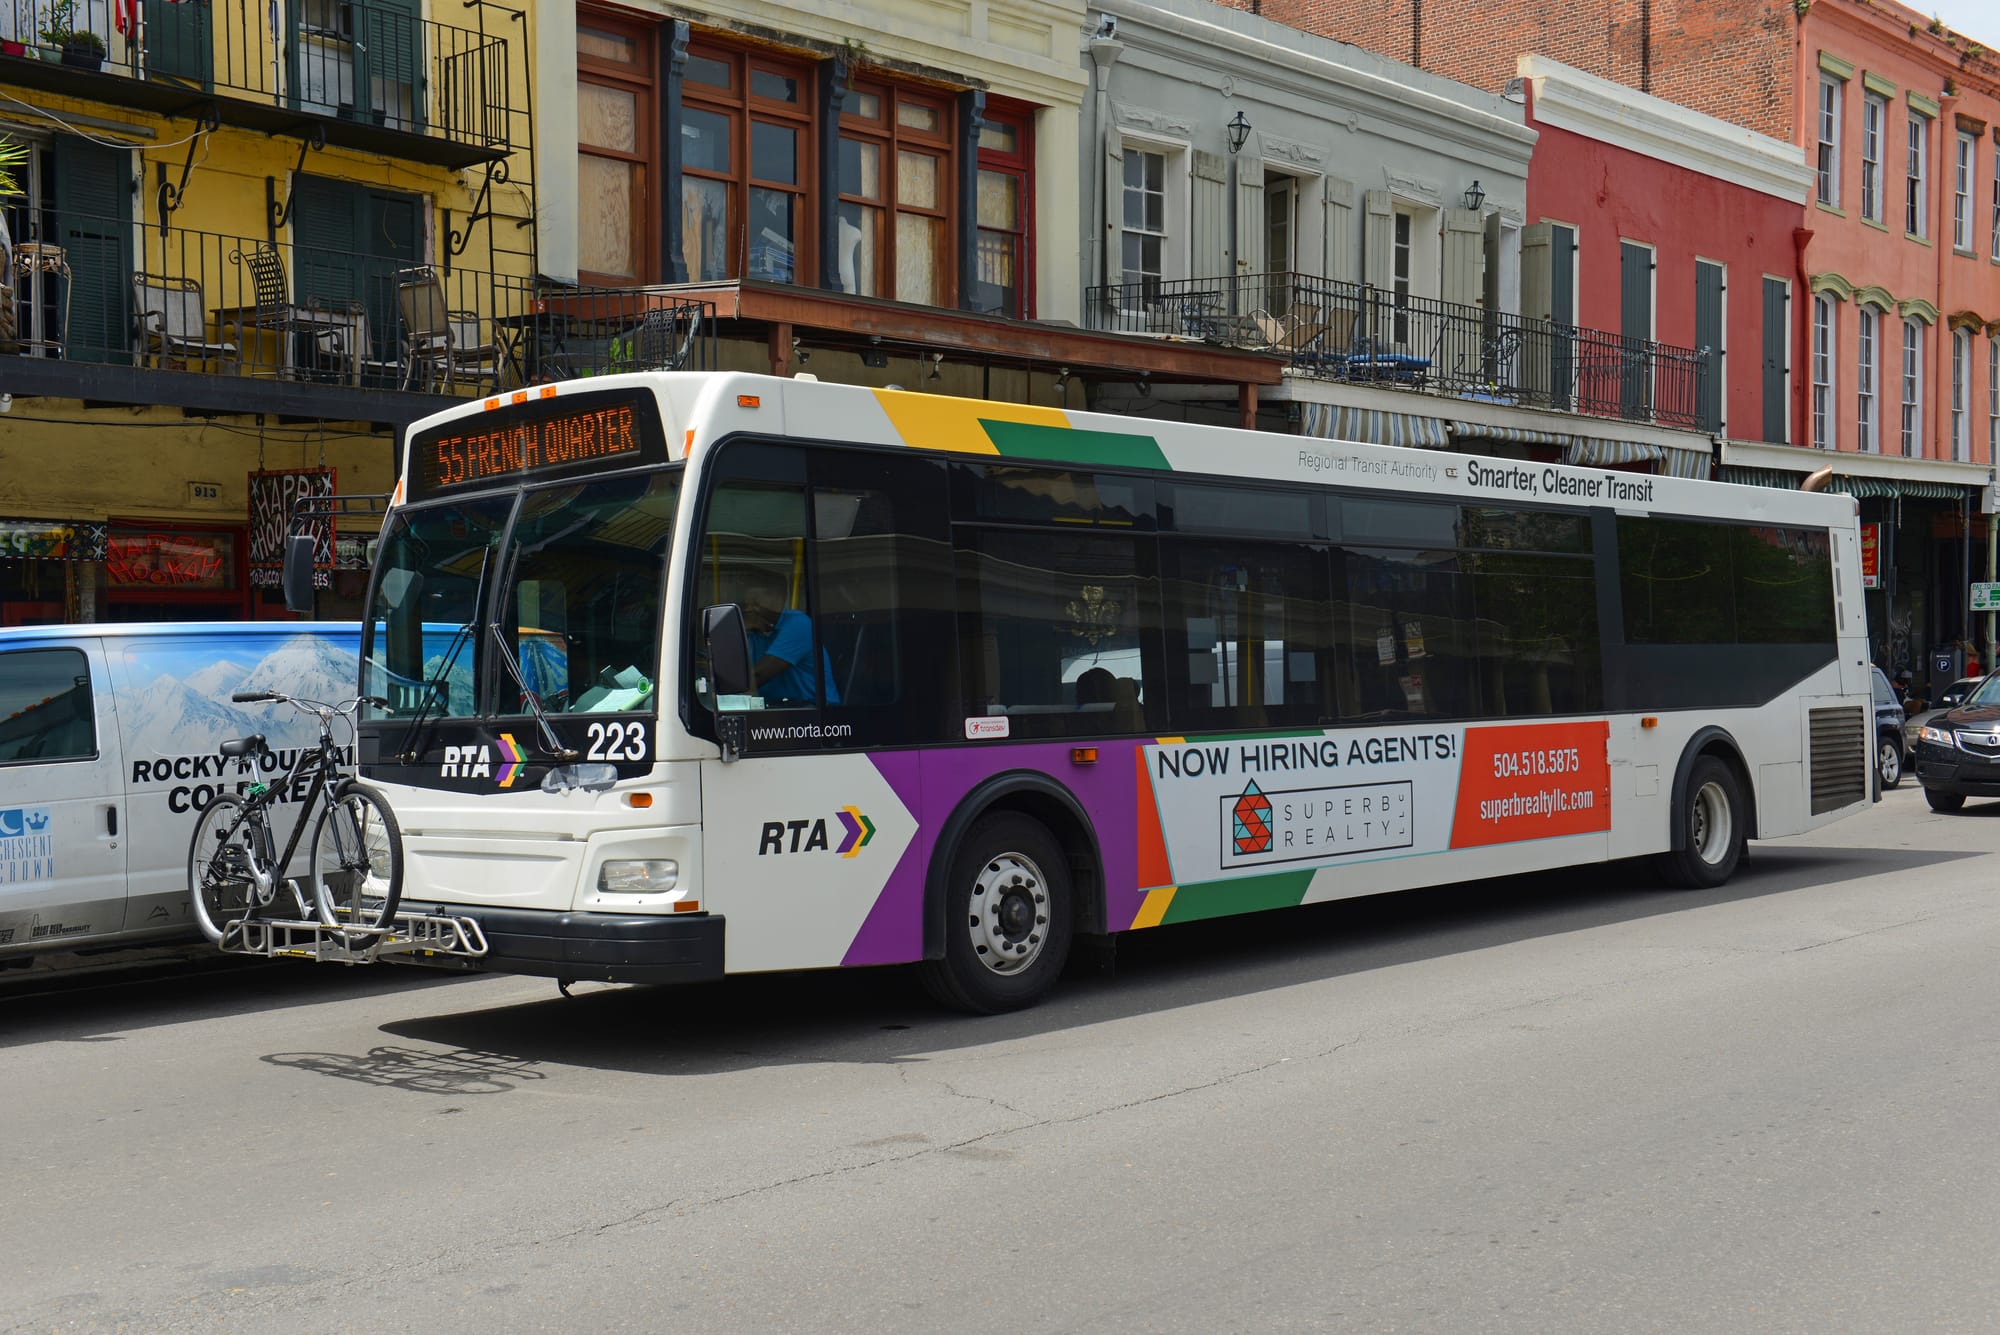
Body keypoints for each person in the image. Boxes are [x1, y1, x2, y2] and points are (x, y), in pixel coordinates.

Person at [739, 570, 840, 706]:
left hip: (813, 711)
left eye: (756, 604)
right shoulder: (754, 630)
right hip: (775, 708)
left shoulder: (799, 624)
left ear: (778, 601)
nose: (749, 610)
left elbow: (757, 676)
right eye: (747, 605)